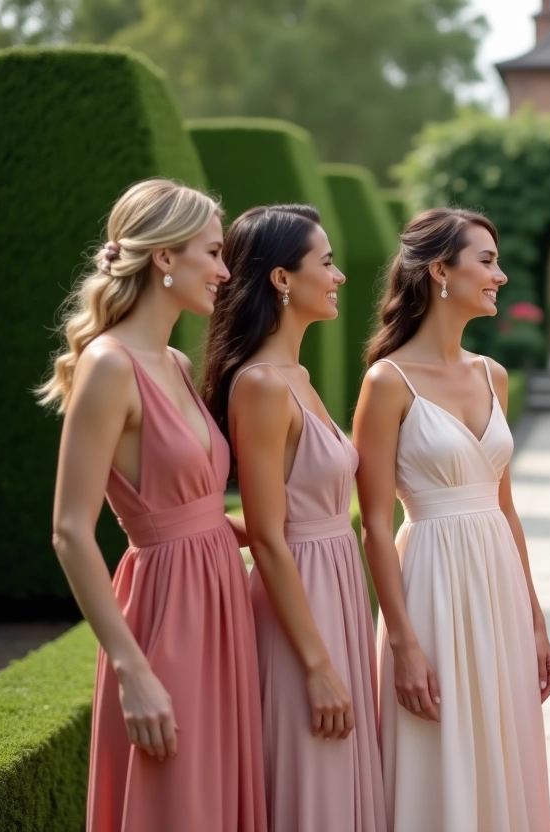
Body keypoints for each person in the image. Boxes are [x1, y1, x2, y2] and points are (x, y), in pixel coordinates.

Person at [40, 178, 265, 832]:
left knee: (218, 798)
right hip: (166, 618)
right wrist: (132, 670)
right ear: (164, 258)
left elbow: (186, 505)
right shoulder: (110, 366)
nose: (225, 272)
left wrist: (281, 533)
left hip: (220, 601)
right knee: (181, 806)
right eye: (214, 253)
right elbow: (70, 530)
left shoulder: (171, 360)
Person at [353, 207, 550, 832]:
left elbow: (505, 505)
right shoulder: (387, 382)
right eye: (487, 261)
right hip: (431, 584)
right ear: (440, 270)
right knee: (436, 749)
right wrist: (402, 641)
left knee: (501, 743)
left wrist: (536, 619)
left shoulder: (491, 374)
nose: (500, 275)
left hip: (496, 581)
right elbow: (375, 525)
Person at [199, 205, 386, 831]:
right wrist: (316, 663)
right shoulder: (260, 385)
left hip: (337, 589)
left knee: (345, 778)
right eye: (326, 263)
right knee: (313, 785)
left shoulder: (298, 376)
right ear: (282, 278)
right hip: (299, 602)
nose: (338, 277)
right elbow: (269, 537)